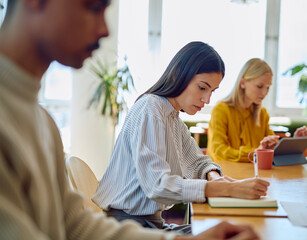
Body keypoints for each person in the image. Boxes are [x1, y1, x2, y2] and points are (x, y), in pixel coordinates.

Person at [0, 0, 260, 239]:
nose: (105, 30)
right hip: (135, 220)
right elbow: (157, 186)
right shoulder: (151, 108)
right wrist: (220, 190)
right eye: (93, 7)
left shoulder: (42, 122)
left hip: (146, 223)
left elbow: (76, 226)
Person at [92, 41, 270, 234]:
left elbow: (199, 163)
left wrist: (216, 178)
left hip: (151, 224)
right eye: (202, 87)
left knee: (232, 233)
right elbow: (158, 186)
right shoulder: (151, 109)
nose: (207, 99)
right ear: (179, 75)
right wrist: (227, 189)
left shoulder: (173, 118)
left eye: (212, 91)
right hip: (129, 228)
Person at [206, 58, 307, 162]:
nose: (265, 92)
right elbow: (219, 151)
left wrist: (294, 143)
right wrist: (256, 153)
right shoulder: (221, 110)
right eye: (260, 86)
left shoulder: (262, 114)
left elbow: (272, 147)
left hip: (253, 173)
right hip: (226, 174)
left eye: (268, 87)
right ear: (243, 83)